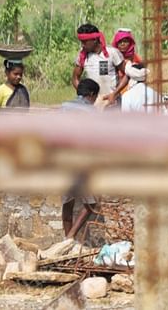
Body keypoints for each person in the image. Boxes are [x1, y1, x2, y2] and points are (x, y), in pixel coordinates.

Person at [60, 78, 101, 236]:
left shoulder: (64, 107)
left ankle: (66, 240)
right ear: (91, 95)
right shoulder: (92, 112)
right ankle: (70, 238)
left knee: (68, 202)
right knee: (91, 202)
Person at [72, 24, 128, 108]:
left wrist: (115, 93)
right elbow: (75, 78)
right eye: (81, 42)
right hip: (93, 106)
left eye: (84, 42)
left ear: (94, 40)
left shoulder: (112, 53)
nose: (82, 45)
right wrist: (85, 95)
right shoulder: (82, 56)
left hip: (113, 104)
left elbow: (128, 73)